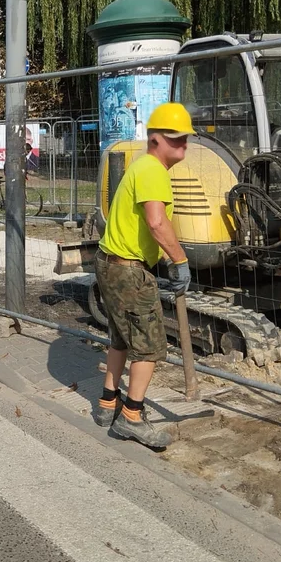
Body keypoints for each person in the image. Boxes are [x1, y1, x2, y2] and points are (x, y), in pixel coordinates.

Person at [92, 102, 194, 449]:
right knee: (149, 348)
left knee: (121, 336)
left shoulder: (142, 165)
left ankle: (108, 402)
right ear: (155, 139)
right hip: (128, 271)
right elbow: (156, 222)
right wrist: (179, 260)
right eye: (176, 139)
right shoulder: (153, 170)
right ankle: (131, 417)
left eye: (185, 139)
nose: (183, 145)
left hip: (110, 262)